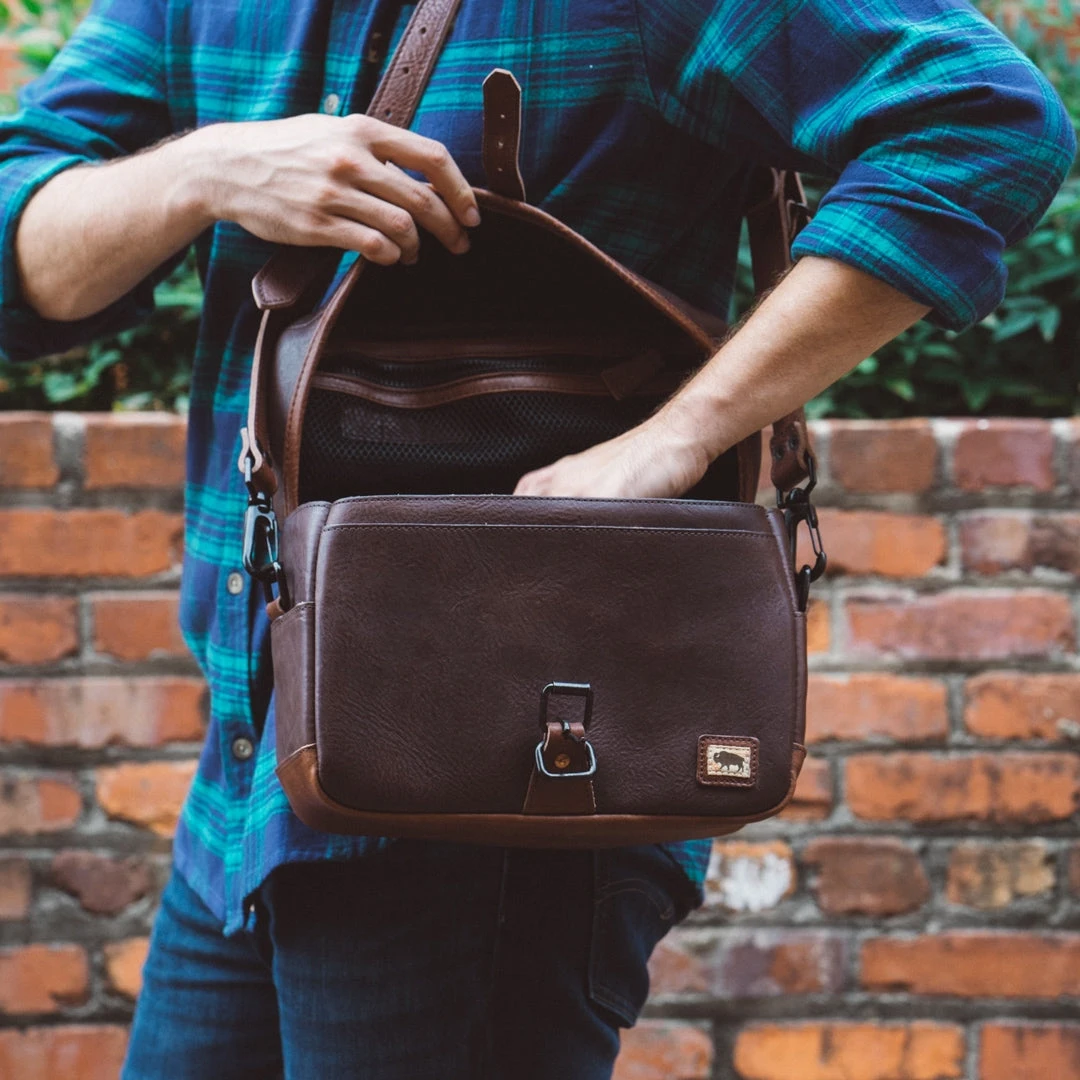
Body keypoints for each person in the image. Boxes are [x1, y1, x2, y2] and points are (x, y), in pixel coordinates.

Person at [0, 0, 1072, 1076]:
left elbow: (984, 121)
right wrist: (204, 172)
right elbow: (18, 248)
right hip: (247, 774)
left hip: (504, 772)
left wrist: (680, 434)